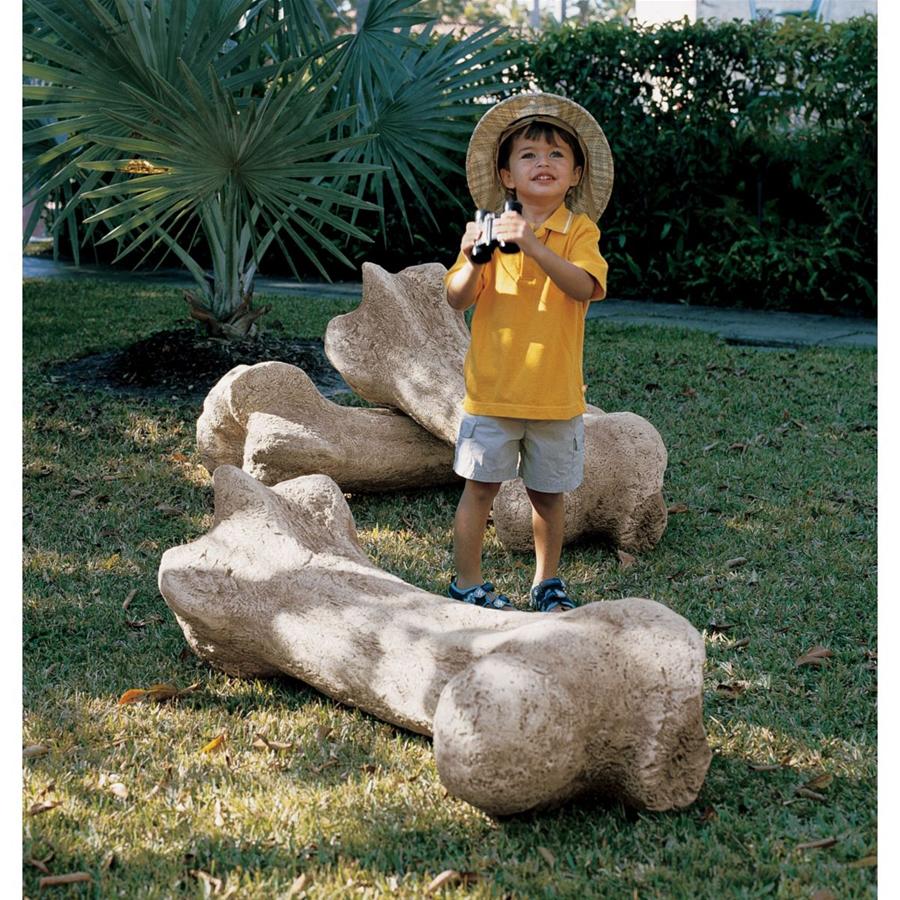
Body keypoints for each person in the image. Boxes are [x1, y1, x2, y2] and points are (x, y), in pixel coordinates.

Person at [444, 92, 614, 613]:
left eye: (557, 155)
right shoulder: (487, 230)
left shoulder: (580, 231)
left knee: (548, 496)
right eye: (529, 155)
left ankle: (546, 583)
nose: (544, 162)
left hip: (555, 395)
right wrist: (476, 259)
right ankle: (467, 583)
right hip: (492, 393)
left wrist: (534, 244)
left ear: (577, 174)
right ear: (507, 176)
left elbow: (584, 287)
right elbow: (457, 298)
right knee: (479, 490)